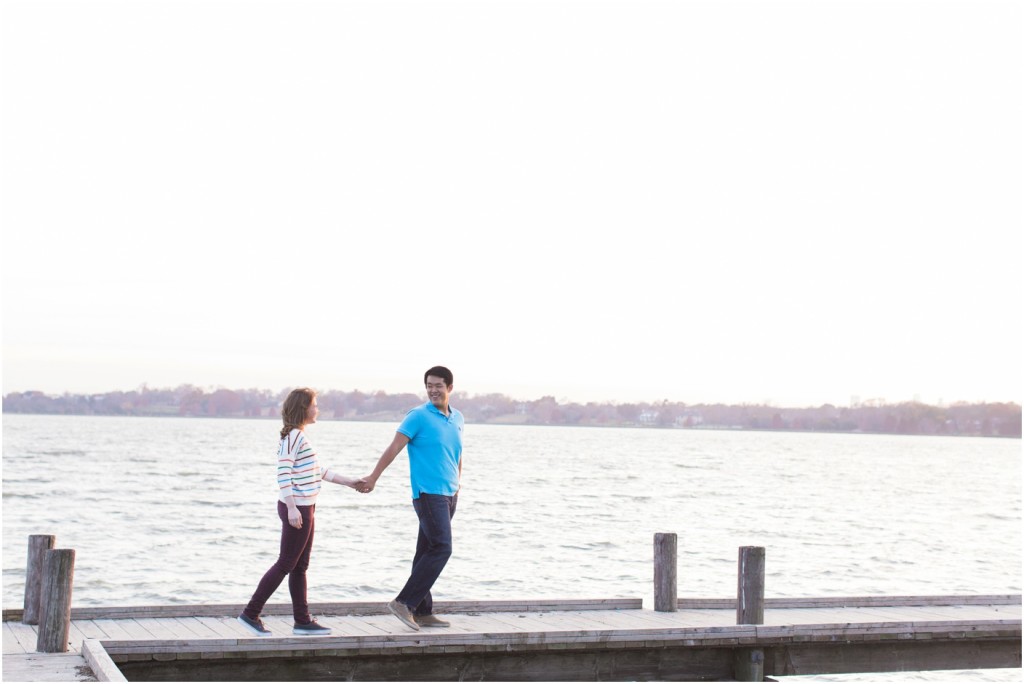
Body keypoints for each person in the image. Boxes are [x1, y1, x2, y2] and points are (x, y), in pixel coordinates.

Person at [237, 387, 365, 637]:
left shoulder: (299, 437)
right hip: (296, 507)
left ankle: (302, 621)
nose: (318, 409)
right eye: (314, 404)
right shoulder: (294, 437)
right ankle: (250, 614)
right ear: (303, 409)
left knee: (299, 566)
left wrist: (350, 482)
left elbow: (319, 471)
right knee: (286, 563)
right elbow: (283, 473)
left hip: (307, 506)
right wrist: (293, 508)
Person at [361, 366, 464, 631]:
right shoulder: (417, 416)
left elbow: (456, 453)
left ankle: (422, 609)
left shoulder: (458, 418)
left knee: (425, 551)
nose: (433, 390)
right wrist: (373, 477)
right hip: (428, 494)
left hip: (450, 494)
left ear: (450, 388)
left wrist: (458, 484)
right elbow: (394, 448)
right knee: (442, 548)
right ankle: (404, 602)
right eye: (429, 385)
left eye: (438, 385)